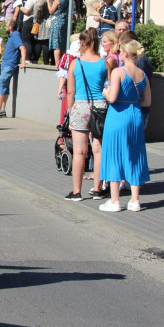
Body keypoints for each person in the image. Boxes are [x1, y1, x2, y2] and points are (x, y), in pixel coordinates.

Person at [98, 39, 151, 212]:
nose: (119, 55)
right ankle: (135, 200)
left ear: (126, 54)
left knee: (114, 153)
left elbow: (112, 97)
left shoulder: (118, 72)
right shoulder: (142, 74)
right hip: (135, 114)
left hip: (118, 114)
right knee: (134, 154)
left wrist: (104, 91)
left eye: (120, 52)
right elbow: (147, 101)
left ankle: (115, 201)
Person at [65, 29, 108, 201]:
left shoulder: (76, 64)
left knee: (79, 152)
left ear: (82, 43)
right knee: (98, 150)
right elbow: (110, 86)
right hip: (100, 106)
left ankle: (77, 191)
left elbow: (70, 91)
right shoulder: (104, 63)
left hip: (81, 106)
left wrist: (70, 111)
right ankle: (97, 189)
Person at [0, 18, 26, 119]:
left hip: (10, 64)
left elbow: (22, 48)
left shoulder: (15, 35)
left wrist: (23, 62)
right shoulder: (12, 36)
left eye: (6, 25)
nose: (5, 27)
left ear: (11, 27)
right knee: (5, 86)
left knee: (0, 84)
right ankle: (2, 110)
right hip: (7, 64)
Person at [47, 0, 69, 66]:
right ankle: (63, 63)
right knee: (63, 43)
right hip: (64, 21)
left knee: (56, 43)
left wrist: (47, 1)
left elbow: (51, 11)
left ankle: (57, 64)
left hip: (57, 21)